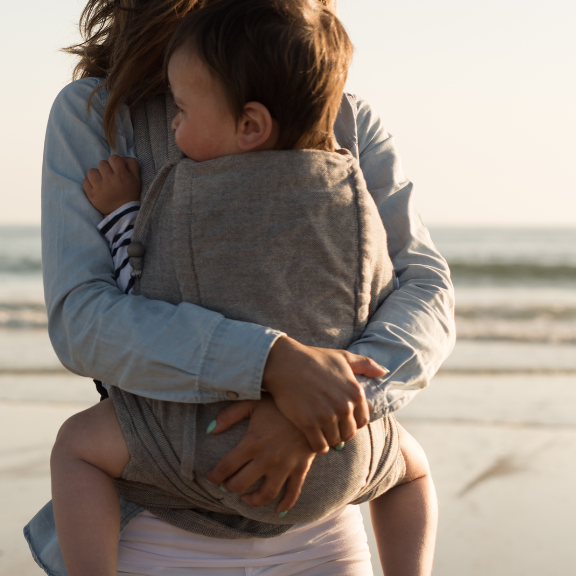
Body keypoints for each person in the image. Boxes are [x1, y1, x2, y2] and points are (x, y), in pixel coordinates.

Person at [26, 0, 454, 573]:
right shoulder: (98, 114)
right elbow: (83, 322)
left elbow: (425, 287)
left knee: (76, 444)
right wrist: (271, 363)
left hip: (323, 534)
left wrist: (325, 410)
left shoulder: (344, 116)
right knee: (411, 464)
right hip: (160, 539)